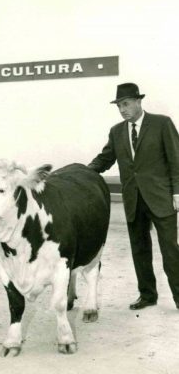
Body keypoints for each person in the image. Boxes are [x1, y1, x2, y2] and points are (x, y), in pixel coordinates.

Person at [88, 83, 179, 310]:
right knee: (140, 250)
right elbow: (105, 159)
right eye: (119, 106)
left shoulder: (162, 123)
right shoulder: (117, 131)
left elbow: (176, 161)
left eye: (126, 104)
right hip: (133, 200)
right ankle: (147, 295)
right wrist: (82, 171)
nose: (122, 110)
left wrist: (177, 193)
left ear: (139, 102)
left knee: (170, 251)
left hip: (161, 199)